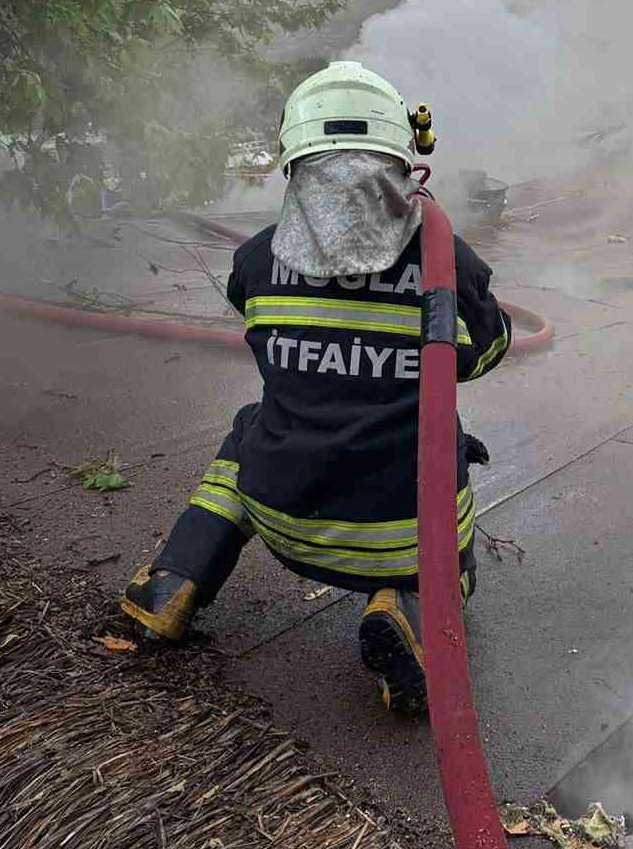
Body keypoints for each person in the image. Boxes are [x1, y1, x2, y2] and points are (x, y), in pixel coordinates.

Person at [120, 61, 511, 714]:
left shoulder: (254, 260)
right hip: (402, 534)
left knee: (251, 428)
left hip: (281, 516)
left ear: (293, 161)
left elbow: (268, 342)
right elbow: (486, 351)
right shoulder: (445, 257)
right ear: (402, 158)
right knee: (447, 444)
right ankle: (408, 607)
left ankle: (173, 582)